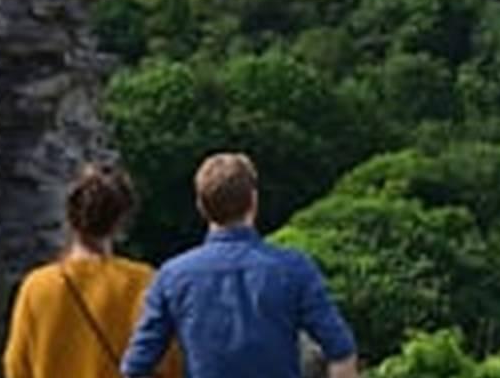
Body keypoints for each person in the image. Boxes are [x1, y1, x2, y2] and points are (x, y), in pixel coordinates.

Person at [122, 152, 359, 378]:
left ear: (200, 206)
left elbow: (136, 366)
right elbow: (341, 351)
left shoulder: (172, 276)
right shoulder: (294, 268)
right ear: (253, 200)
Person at [4, 164, 182, 378]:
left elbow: (16, 366)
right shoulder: (142, 282)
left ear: (70, 216)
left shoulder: (36, 287)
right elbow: (169, 363)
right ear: (121, 220)